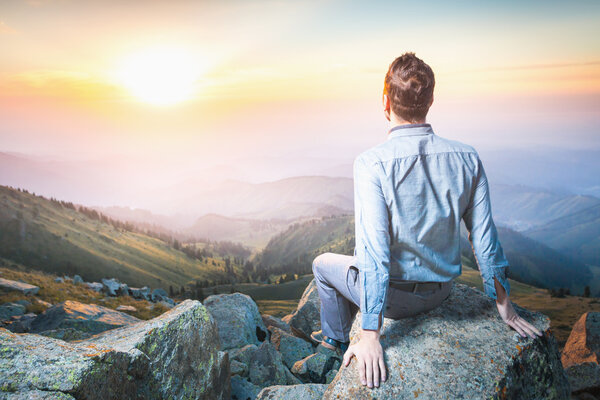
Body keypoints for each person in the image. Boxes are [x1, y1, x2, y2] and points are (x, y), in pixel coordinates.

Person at [310, 52, 542, 390]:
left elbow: (374, 253)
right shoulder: (467, 157)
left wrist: (371, 334)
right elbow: (485, 238)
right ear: (430, 101)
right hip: (441, 293)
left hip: (394, 302)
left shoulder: (371, 164)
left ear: (385, 100)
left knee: (322, 264)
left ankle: (333, 343)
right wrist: (504, 306)